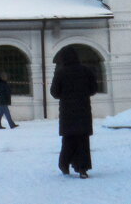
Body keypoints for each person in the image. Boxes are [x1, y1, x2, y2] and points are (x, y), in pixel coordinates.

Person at [50, 47, 98, 178]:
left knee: (68, 138)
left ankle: (64, 164)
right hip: (83, 109)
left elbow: (54, 92)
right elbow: (94, 89)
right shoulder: (86, 71)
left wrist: (65, 95)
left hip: (67, 111)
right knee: (83, 139)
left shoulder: (61, 73)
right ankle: (82, 168)